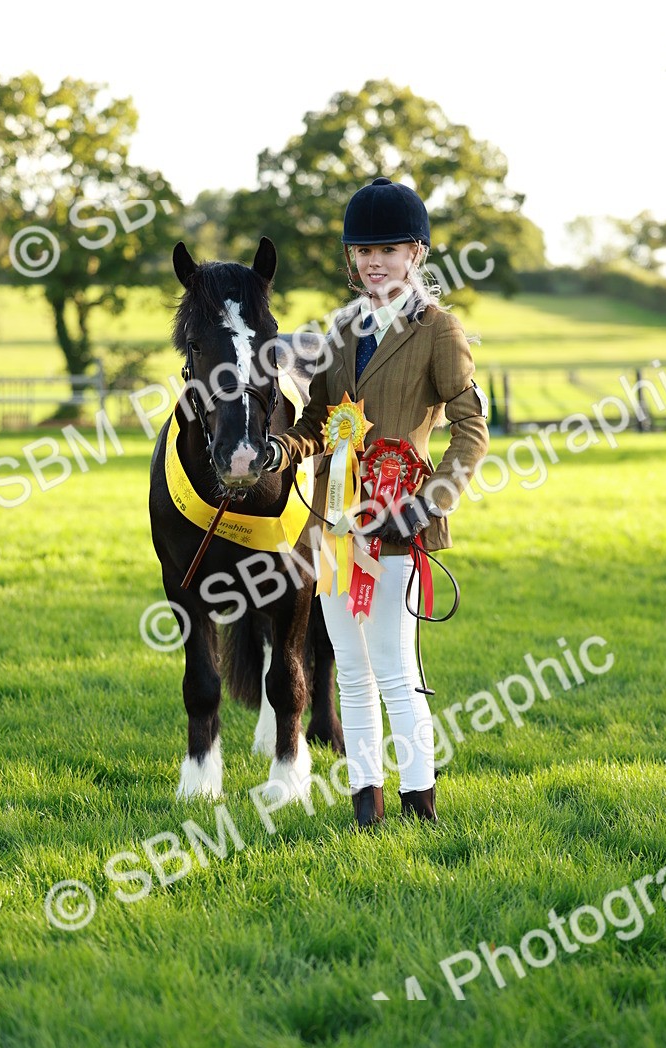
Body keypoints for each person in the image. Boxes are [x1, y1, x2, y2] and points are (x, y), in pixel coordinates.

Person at [263, 177, 489, 827]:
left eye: (388, 249)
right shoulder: (340, 330)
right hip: (335, 525)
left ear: (417, 254)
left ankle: (422, 805)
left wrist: (427, 503)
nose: (373, 262)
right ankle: (367, 804)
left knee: (395, 669)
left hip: (398, 524)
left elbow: (472, 433)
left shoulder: (439, 331)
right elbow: (318, 420)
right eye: (362, 251)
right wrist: (284, 449)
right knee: (352, 672)